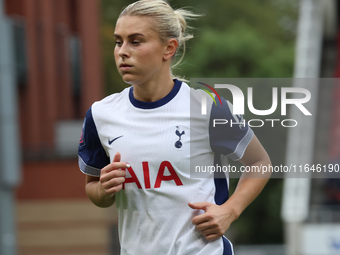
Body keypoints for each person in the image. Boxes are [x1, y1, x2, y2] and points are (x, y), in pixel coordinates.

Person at [78, 0, 271, 254]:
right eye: (118, 41)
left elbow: (260, 163)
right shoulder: (101, 114)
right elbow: (93, 189)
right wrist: (103, 189)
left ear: (168, 48)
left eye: (135, 41)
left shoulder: (209, 107)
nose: (123, 51)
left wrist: (230, 210)